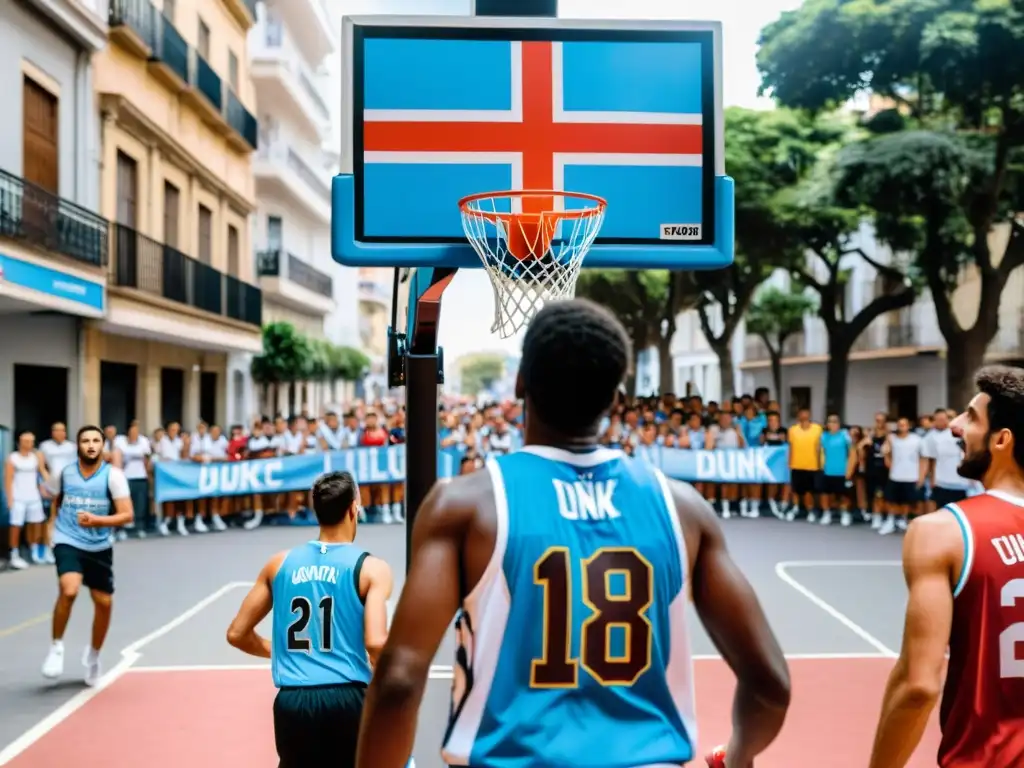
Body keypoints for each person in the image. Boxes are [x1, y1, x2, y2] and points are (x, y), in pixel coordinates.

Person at [355, 299, 791, 768]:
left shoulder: (465, 505)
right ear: (615, 400)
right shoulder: (683, 508)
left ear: (521, 382)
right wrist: (739, 757)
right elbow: (770, 684)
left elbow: (399, 680)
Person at [868, 366, 1024, 767]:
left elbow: (918, 685)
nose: (955, 424)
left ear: (1002, 439)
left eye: (971, 416)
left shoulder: (942, 532)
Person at [226, 471, 395, 768]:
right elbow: (376, 642)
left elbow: (237, 633)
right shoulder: (370, 568)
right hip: (347, 699)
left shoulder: (279, 564)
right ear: (353, 509)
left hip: (293, 703)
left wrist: (276, 651)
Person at [42, 426, 134, 685]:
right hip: (67, 539)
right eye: (85, 441)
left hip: (99, 545)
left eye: (96, 440)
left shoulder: (113, 476)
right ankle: (56, 647)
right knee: (69, 589)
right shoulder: (65, 473)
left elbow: (127, 515)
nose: (91, 445)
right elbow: (54, 497)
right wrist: (51, 527)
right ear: (78, 446)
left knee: (103, 602)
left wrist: (97, 520)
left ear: (102, 445)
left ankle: (93, 656)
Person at [5, 431, 49, 569]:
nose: (30, 444)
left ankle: (33, 551)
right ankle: (14, 553)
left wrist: (52, 486)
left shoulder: (36, 457)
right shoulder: (13, 458)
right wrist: (10, 499)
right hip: (18, 497)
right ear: (20, 442)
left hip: (34, 496)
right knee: (16, 526)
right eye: (27, 441)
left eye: (32, 441)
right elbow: (8, 480)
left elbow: (42, 473)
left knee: (35, 524)